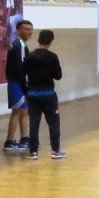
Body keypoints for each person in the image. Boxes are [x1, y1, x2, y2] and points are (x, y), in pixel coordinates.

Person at [21, 29, 65, 160]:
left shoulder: (29, 56)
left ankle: (33, 152)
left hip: (33, 94)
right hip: (48, 95)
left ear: (39, 39)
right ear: (51, 41)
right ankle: (56, 151)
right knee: (53, 123)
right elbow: (58, 76)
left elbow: (23, 73)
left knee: (34, 123)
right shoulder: (52, 57)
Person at [3, 19, 32, 153]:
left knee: (24, 111)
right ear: (19, 30)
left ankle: (25, 138)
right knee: (17, 111)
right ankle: (9, 141)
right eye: (26, 29)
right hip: (17, 83)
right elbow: (21, 68)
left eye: (30, 29)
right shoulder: (18, 45)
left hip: (18, 82)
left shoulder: (21, 45)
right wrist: (25, 85)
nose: (29, 32)